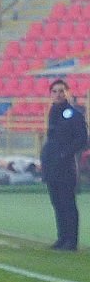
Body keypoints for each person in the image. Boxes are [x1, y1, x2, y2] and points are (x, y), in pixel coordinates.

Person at [41, 79, 88, 252]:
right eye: (55, 91)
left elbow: (82, 139)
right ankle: (62, 237)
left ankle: (71, 240)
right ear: (50, 94)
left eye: (61, 91)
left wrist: (65, 154)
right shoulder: (53, 112)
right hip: (52, 164)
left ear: (67, 92)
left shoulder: (74, 114)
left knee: (68, 202)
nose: (58, 94)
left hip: (66, 165)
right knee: (57, 202)